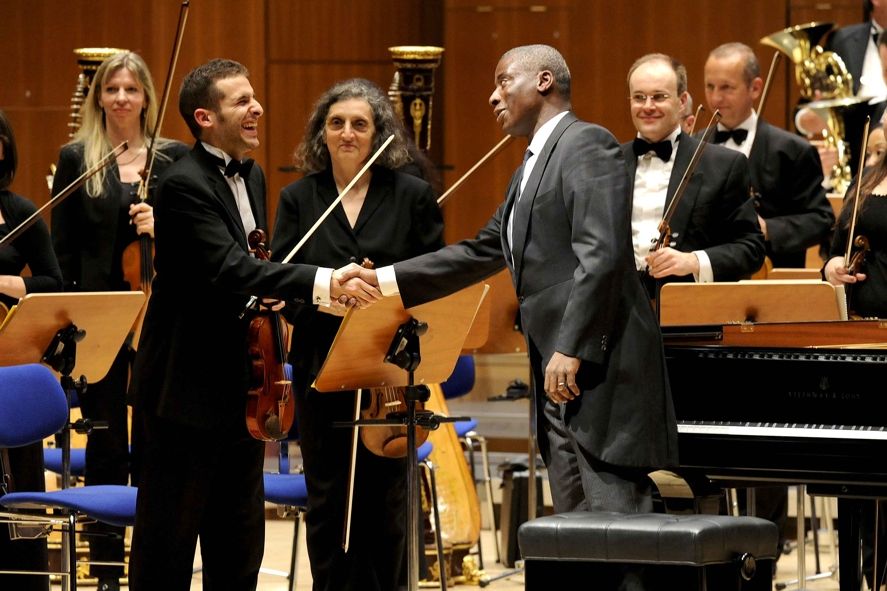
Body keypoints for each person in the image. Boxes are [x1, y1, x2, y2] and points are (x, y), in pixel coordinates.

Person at [346, 45, 678, 523]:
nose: (492, 96)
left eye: (503, 81)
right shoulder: (527, 169)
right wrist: (381, 280)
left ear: (543, 82)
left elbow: (601, 256)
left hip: (596, 373)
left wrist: (573, 345)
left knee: (615, 532)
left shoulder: (587, 143)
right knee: (576, 536)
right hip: (559, 379)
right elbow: (479, 251)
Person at [127, 58, 380, 591]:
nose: (257, 108)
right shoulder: (181, 185)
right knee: (166, 548)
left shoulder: (254, 173)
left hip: (244, 388)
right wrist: (324, 280)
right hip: (183, 391)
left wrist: (309, 300)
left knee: (238, 544)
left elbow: (258, 263)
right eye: (241, 101)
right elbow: (229, 267)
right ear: (204, 117)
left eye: (254, 97)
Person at [269, 78, 444, 591]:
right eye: (337, 123)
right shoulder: (299, 198)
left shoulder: (411, 195)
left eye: (360, 124)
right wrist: (329, 299)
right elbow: (283, 285)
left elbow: (432, 277)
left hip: (391, 367)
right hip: (322, 363)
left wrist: (381, 293)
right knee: (327, 495)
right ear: (321, 134)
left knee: (386, 497)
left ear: (378, 135)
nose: (348, 133)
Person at [48, 50, 187, 591]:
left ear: (147, 97)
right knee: (105, 442)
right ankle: (104, 567)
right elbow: (62, 251)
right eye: (113, 89)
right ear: (99, 97)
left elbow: (197, 243)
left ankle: (151, 568)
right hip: (99, 317)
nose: (122, 99)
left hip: (158, 318)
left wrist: (162, 228)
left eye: (132, 89)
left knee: (156, 443)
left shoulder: (172, 160)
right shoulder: (78, 157)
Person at [624, 53, 764, 299]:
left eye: (659, 96)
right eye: (639, 97)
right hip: (618, 316)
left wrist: (694, 261)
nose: (647, 106)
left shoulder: (724, 165)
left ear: (682, 101)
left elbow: (750, 250)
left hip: (689, 314)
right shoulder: (607, 162)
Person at [0, 111, 62, 591]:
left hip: (9, 360)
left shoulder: (20, 212)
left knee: (19, 485)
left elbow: (53, 282)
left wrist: (9, 283)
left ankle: (24, 578)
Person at [704, 42, 834, 269]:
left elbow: (821, 220)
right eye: (710, 86)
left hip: (774, 277)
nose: (715, 98)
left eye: (726, 87)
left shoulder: (792, 149)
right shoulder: (696, 146)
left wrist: (769, 229)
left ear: (755, 88)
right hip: (707, 279)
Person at [823, 142, 887, 591]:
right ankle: (869, 575)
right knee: (861, 474)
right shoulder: (867, 179)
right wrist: (832, 266)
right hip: (857, 336)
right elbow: (833, 246)